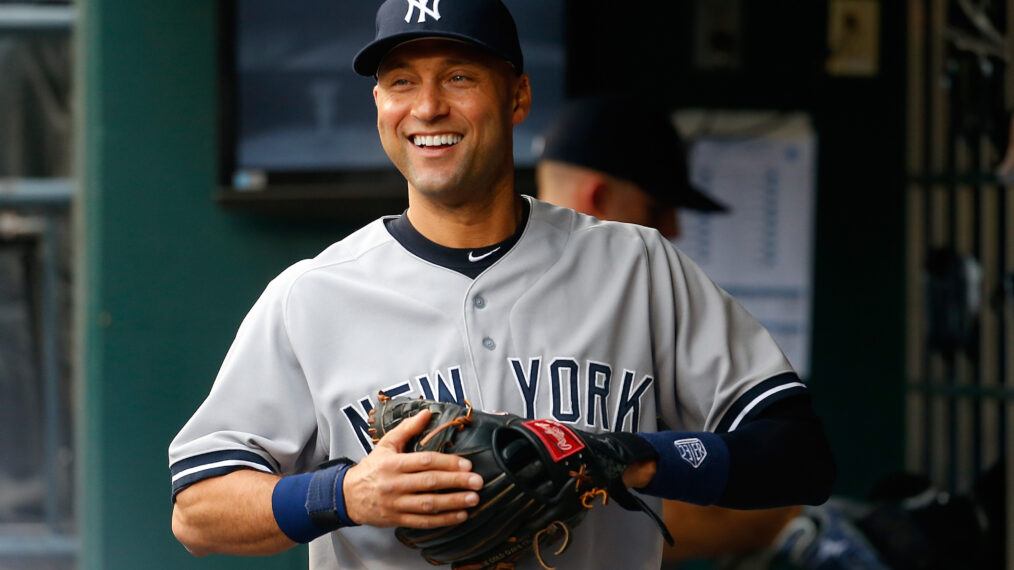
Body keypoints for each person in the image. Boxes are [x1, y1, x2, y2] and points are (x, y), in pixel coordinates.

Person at [168, 2, 835, 569]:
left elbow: (797, 454)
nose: (428, 107)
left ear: (517, 95)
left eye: (458, 76)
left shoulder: (638, 266)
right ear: (379, 104)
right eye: (401, 81)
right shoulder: (310, 295)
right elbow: (198, 510)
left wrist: (633, 457)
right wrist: (344, 495)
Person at [536, 95, 887, 570]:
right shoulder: (528, 307)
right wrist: (783, 522)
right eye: (657, 208)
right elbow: (591, 510)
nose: (674, 229)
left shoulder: (644, 304)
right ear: (596, 198)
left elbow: (789, 450)